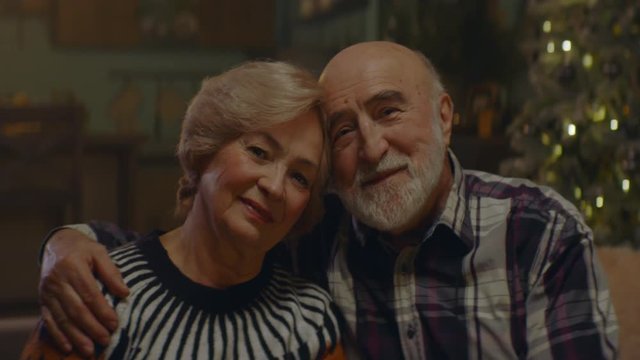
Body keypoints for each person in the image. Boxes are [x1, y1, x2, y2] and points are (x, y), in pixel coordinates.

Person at [37, 41, 618, 359]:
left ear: (444, 117)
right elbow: (189, 253)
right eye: (343, 130)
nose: (370, 146)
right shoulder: (312, 232)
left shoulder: (539, 232)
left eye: (389, 110)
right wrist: (66, 244)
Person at [23, 60, 344, 359]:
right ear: (206, 148)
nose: (275, 187)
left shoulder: (309, 321)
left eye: (300, 177)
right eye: (259, 151)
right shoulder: (93, 299)